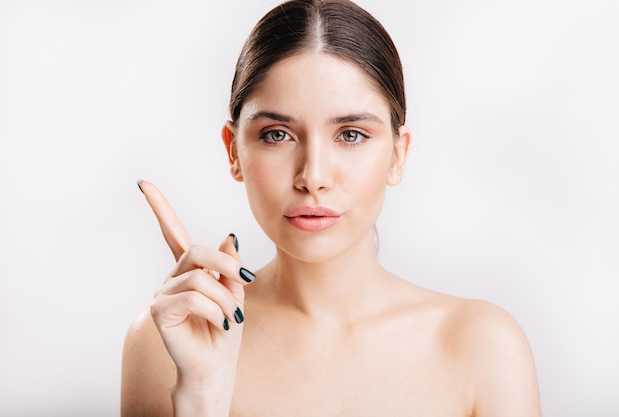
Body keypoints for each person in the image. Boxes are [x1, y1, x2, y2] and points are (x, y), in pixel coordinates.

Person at [121, 0, 542, 416]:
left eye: (352, 134)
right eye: (277, 135)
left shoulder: (483, 346)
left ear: (398, 154)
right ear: (234, 152)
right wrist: (201, 397)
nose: (313, 175)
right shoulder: (168, 338)